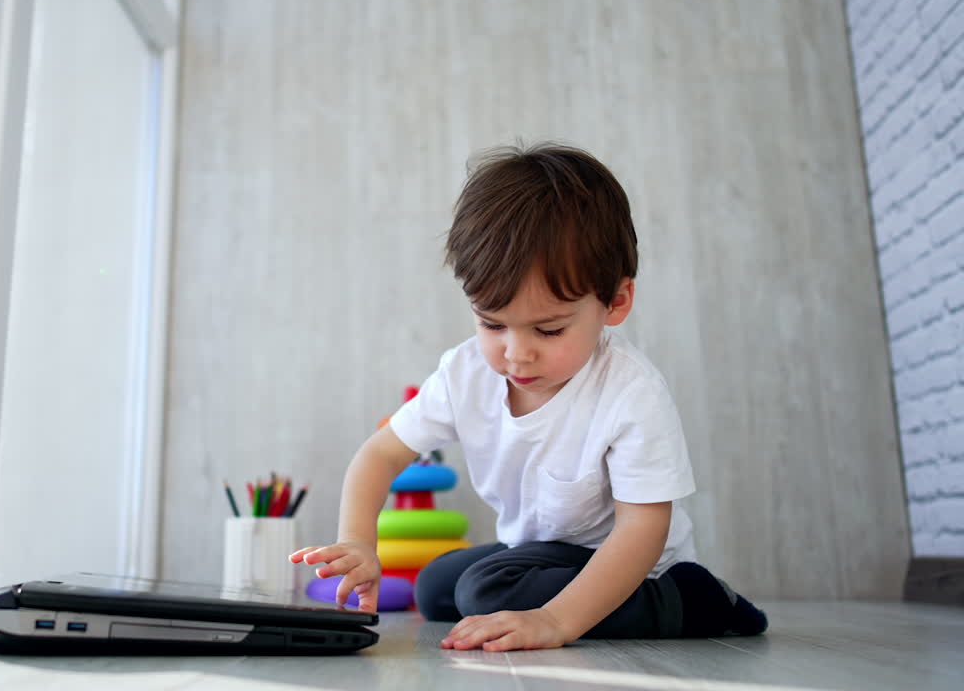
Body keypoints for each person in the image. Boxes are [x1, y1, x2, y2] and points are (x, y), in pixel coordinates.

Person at [289, 143, 767, 651]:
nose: (516, 355)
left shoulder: (630, 391)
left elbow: (643, 528)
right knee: (435, 588)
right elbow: (381, 453)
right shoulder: (466, 372)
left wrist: (556, 621)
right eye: (492, 324)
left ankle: (690, 599)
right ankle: (526, 594)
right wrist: (360, 541)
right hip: (539, 552)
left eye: (549, 330)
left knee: (483, 590)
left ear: (615, 302)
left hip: (633, 561)